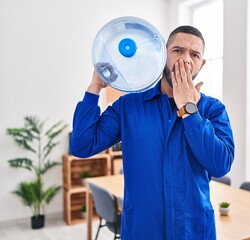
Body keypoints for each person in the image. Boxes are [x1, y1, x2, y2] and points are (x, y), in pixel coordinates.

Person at [70, 25, 235, 240]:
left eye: (194, 54)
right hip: (143, 229)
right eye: (178, 50)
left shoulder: (212, 109)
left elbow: (221, 164)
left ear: (201, 64)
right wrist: (95, 86)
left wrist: (189, 110)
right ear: (163, 54)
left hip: (193, 231)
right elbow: (82, 145)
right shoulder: (129, 106)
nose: (185, 59)